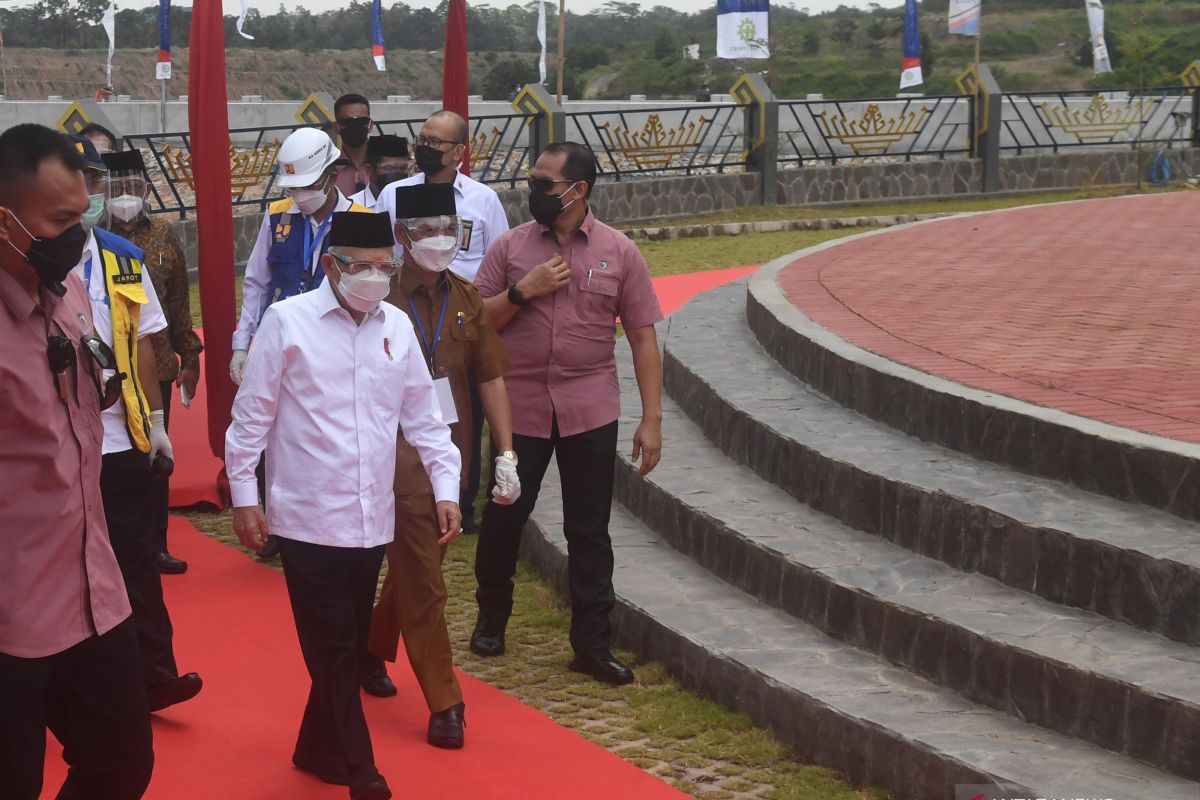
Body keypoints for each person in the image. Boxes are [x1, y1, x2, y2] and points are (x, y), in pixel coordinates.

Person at [226, 211, 461, 800]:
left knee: (348, 643)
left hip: (369, 519)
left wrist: (447, 489)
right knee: (332, 647)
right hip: (305, 516)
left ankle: (316, 748)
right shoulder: (287, 323)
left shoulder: (398, 328)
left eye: (387, 267)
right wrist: (243, 498)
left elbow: (427, 421)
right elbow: (250, 419)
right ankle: (362, 769)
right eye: (364, 267)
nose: (377, 278)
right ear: (332, 266)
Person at [471, 142, 664, 686]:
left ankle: (591, 644)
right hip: (519, 410)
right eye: (532, 181)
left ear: (577, 191)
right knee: (505, 514)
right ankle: (491, 619)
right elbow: (478, 322)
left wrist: (651, 419)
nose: (534, 191)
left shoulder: (619, 251)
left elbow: (643, 338)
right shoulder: (510, 247)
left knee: (589, 530)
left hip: (590, 408)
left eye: (545, 183)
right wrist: (521, 291)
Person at [0, 123, 154, 800]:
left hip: (92, 587)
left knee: (121, 763)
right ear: (4, 219)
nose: (75, 234)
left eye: (81, 215)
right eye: (59, 220)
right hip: (10, 612)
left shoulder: (69, 294)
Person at [362, 183, 520, 749]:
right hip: (390, 454)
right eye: (427, 229)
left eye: (449, 229)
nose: (441, 240)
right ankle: (445, 701)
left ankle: (370, 648)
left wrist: (505, 452)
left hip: (447, 456)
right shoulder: (375, 296)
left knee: (417, 566)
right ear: (402, 236)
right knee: (426, 582)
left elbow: (490, 376)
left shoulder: (467, 298)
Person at [69, 136, 203, 711]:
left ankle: (154, 673)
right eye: (80, 182)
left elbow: (148, 339)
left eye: (94, 183)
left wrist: (154, 419)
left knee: (136, 558)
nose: (89, 194)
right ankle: (59, 689)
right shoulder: (23, 256)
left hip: (120, 437)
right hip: (57, 445)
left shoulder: (123, 257)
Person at [231, 126, 372, 559]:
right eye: (294, 187)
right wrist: (242, 343)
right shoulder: (279, 218)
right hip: (283, 341)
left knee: (331, 428)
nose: (301, 194)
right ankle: (278, 520)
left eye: (309, 185)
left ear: (332, 174)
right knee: (277, 434)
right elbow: (258, 283)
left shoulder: (363, 221)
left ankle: (336, 512)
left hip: (338, 340)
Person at [378, 109, 510, 536]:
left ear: (459, 151)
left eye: (436, 143)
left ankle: (461, 499)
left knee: (463, 413)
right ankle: (400, 491)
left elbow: (499, 263)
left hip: (459, 318)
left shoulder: (482, 199)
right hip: (405, 313)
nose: (426, 149)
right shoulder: (394, 193)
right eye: (423, 139)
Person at [101, 148, 203, 575]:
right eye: (117, 188)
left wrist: (190, 357)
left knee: (154, 457)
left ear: (146, 189)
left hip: (155, 364)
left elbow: (179, 302)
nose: (126, 196)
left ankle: (153, 543)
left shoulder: (163, 235)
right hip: (104, 370)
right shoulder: (90, 239)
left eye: (134, 187)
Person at [349, 134, 410, 210]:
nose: (398, 173)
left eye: (403, 168)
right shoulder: (351, 208)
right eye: (390, 168)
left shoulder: (413, 204)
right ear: (369, 170)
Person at [331, 93, 374, 198]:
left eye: (361, 121)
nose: (355, 127)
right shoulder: (327, 170)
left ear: (370, 125)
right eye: (347, 122)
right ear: (336, 127)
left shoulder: (384, 165)